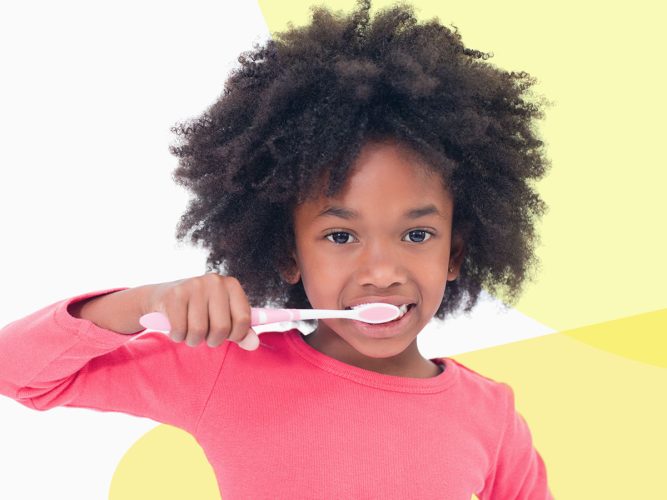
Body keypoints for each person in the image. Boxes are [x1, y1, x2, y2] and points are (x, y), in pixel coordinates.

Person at [0, 0, 554, 497]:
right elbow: (16, 372)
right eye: (340, 236)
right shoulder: (226, 367)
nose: (383, 271)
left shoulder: (492, 415)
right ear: (287, 252)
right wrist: (146, 302)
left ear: (455, 253)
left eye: (417, 235)